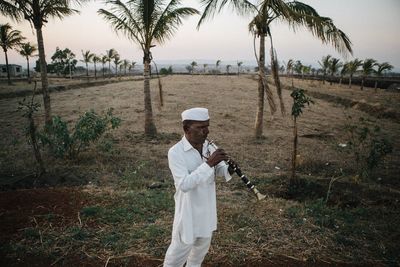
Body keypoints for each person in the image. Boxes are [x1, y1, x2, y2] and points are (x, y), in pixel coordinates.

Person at [163, 107, 233, 267]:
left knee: (198, 256)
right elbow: (184, 185)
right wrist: (209, 164)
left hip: (207, 211)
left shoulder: (209, 146)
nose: (206, 131)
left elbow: (220, 170)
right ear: (186, 129)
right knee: (176, 256)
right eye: (200, 127)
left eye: (207, 126)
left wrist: (228, 168)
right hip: (188, 214)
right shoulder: (175, 152)